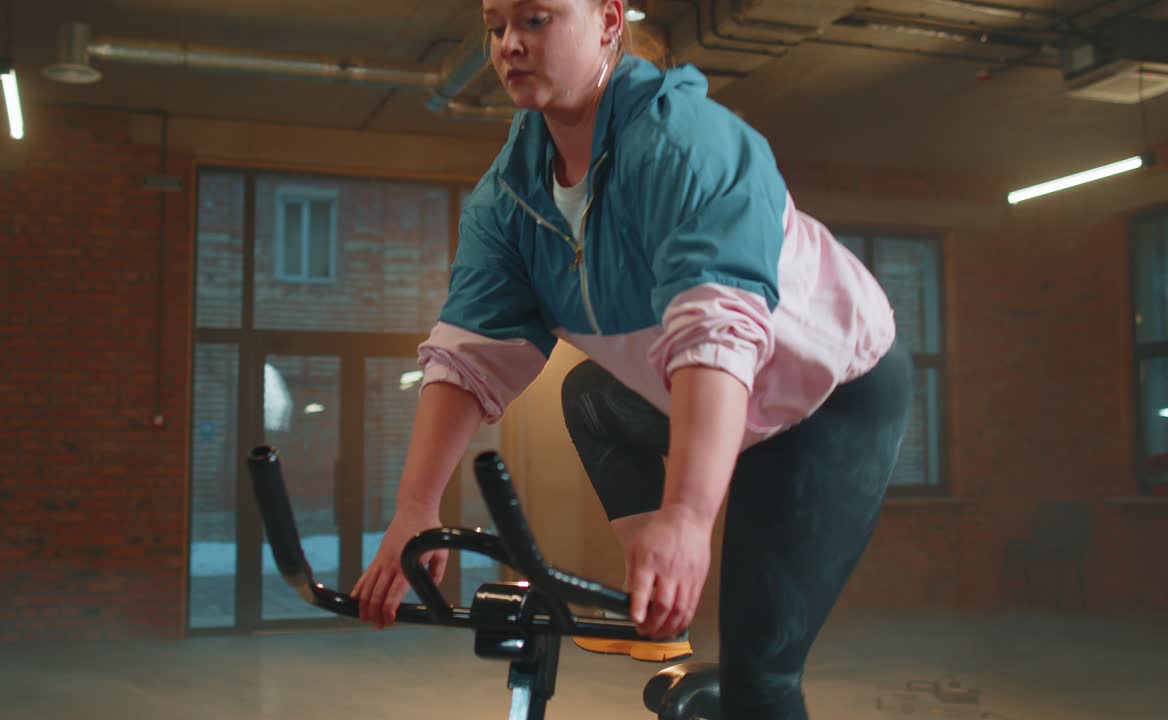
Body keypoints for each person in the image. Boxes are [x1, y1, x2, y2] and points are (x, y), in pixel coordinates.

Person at [350, 0, 914, 717]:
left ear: (609, 20)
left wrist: (686, 517)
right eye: (495, 27)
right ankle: (653, 595)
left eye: (535, 20)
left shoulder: (685, 142)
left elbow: (717, 328)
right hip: (711, 395)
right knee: (588, 398)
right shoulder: (511, 195)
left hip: (831, 396)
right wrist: (414, 509)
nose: (507, 46)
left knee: (760, 681)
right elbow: (469, 352)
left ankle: (687, 582)